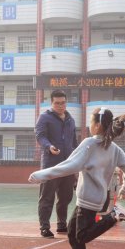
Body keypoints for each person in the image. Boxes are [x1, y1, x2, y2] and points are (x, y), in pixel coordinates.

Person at [29, 108, 125, 249]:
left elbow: (70, 165)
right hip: (96, 197)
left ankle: (115, 216)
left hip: (89, 198)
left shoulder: (89, 144)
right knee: (72, 232)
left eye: (91, 121)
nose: (89, 125)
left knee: (82, 236)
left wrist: (40, 175)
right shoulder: (113, 147)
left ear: (97, 125)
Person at [35, 90, 78, 238]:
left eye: (63, 103)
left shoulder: (70, 119)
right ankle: (44, 227)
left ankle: (61, 224)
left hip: (68, 165)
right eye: (57, 103)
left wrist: (77, 159)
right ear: (51, 103)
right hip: (51, 165)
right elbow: (40, 135)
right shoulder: (44, 117)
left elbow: (74, 141)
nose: (60, 106)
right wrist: (49, 146)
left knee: (66, 196)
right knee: (47, 197)